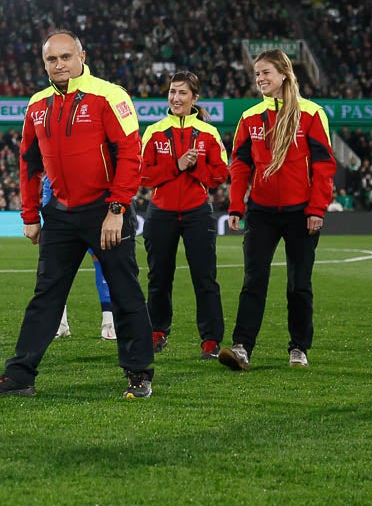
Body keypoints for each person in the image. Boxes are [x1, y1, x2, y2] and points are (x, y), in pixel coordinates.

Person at [0, 31, 156, 400]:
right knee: (46, 296)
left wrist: (117, 209)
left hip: (106, 211)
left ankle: (139, 373)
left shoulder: (110, 95)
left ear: (81, 56)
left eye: (66, 57)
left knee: (125, 292)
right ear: (44, 64)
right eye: (51, 59)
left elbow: (130, 155)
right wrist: (29, 215)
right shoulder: (37, 105)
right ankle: (20, 375)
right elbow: (28, 164)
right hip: (59, 214)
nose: (59, 64)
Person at [219, 49, 335, 371]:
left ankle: (299, 348)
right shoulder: (250, 117)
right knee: (253, 279)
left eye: (266, 73)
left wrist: (316, 209)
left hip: (302, 214)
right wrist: (236, 206)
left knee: (299, 284)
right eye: (257, 74)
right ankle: (242, 347)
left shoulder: (311, 114)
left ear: (284, 74)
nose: (260, 79)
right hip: (261, 212)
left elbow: (324, 166)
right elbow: (240, 166)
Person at [138, 71, 230, 359]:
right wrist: (177, 165)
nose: (176, 98)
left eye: (182, 93)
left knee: (205, 278)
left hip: (197, 213)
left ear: (195, 98)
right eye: (172, 92)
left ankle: (211, 341)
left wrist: (195, 169)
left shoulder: (209, 133)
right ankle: (157, 332)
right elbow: (143, 175)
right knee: (159, 278)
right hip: (161, 213)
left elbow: (220, 174)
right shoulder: (153, 131)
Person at [44, 175, 116, 340]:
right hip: (62, 215)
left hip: (94, 211)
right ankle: (59, 323)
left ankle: (109, 322)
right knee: (58, 267)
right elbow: (47, 181)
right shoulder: (54, 156)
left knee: (101, 261)